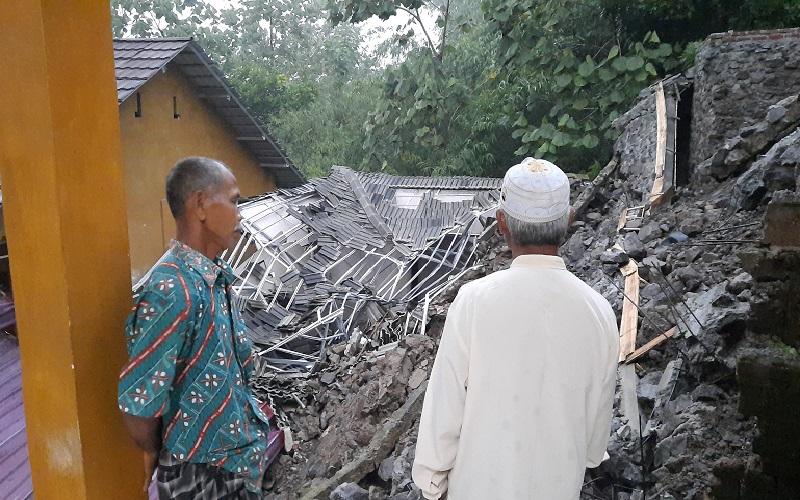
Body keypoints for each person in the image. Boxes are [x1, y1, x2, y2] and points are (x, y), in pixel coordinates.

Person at [412, 158, 619, 500]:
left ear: (501, 224)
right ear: (569, 221)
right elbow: (593, 447)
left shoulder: (474, 301)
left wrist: (432, 484)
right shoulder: (599, 312)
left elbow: (444, 411)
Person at [118, 157, 271, 499]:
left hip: (234, 464)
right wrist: (152, 449)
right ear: (201, 204)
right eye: (234, 201)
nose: (240, 213)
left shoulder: (213, 279)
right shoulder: (172, 290)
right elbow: (138, 402)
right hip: (200, 477)